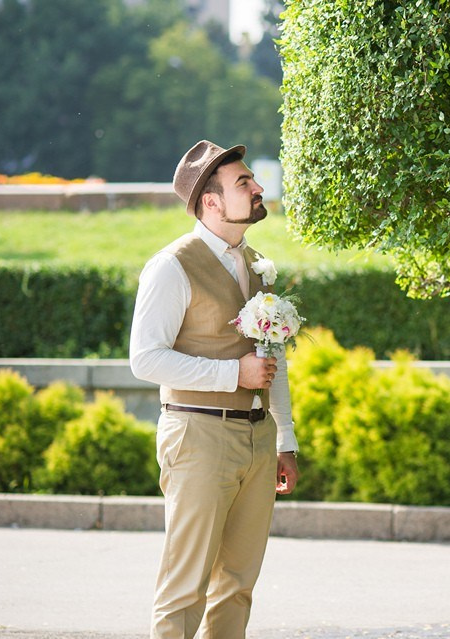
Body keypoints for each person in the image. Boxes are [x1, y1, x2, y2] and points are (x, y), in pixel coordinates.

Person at [130, 140, 300, 639]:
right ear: (211, 201)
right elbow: (144, 358)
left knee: (238, 586)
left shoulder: (257, 265)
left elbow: (274, 361)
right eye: (244, 183)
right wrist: (233, 376)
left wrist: (283, 438)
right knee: (185, 589)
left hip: (257, 439)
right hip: (197, 435)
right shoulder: (171, 266)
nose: (258, 187)